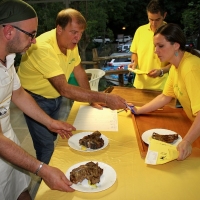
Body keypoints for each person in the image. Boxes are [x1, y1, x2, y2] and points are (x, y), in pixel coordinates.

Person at [17, 8, 126, 164]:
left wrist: (91, 99)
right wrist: (106, 98)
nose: (78, 38)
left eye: (80, 33)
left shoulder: (71, 45)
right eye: (74, 32)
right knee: (45, 145)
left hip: (55, 96)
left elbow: (79, 71)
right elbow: (64, 88)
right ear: (59, 29)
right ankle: (47, 180)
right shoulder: (42, 48)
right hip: (34, 99)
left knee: (53, 134)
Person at [0, 0, 78, 199]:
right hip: (2, 144)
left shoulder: (7, 58)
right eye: (31, 34)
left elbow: (18, 94)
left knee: (20, 189)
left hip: (9, 142)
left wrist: (50, 123)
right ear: (9, 31)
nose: (34, 40)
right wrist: (42, 169)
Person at [132, 23, 200, 161]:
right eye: (155, 46)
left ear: (176, 45)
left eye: (161, 46)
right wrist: (139, 111)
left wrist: (187, 141)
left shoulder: (190, 68)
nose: (156, 51)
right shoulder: (176, 67)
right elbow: (165, 96)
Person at [128, 0, 171, 90]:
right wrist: (133, 63)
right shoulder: (140, 31)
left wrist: (161, 71)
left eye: (157, 19)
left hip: (163, 86)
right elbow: (135, 53)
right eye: (150, 19)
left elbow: (176, 62)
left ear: (164, 15)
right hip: (140, 85)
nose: (153, 23)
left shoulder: (171, 33)